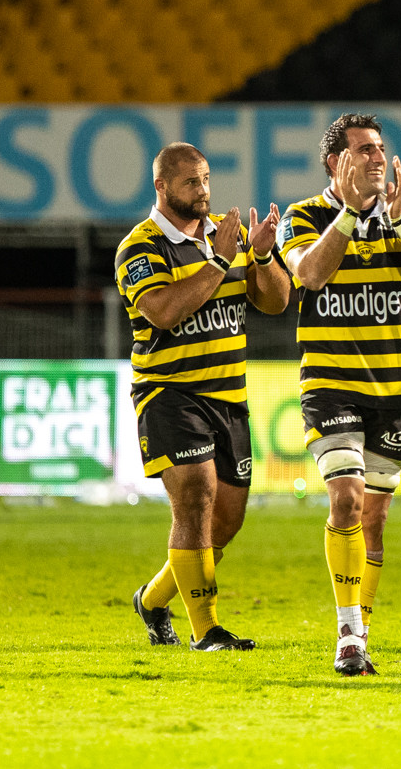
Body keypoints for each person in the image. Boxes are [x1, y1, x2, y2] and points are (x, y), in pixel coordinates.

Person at [278, 113, 401, 676]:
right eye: (364, 150)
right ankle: (348, 636)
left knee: (373, 519)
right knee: (346, 498)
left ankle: (362, 630)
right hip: (330, 387)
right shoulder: (305, 216)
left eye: (381, 149)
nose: (377, 158)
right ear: (336, 162)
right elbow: (309, 274)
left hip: (391, 390)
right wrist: (352, 214)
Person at [117, 142, 291, 652]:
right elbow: (165, 311)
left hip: (229, 397)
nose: (203, 191)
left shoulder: (226, 238)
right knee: (194, 498)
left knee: (226, 519)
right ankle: (206, 630)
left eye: (207, 179)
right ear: (162, 186)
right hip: (169, 393)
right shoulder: (141, 246)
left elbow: (276, 302)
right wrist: (219, 259)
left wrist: (260, 256)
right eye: (191, 182)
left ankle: (152, 599)